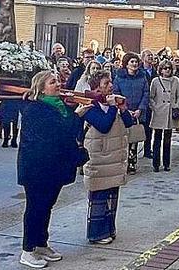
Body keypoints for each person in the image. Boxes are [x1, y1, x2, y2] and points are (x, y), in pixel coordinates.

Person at [17, 70, 85, 268]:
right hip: (37, 168)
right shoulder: (34, 109)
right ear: (41, 88)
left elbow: (67, 130)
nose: (58, 84)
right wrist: (77, 115)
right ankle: (27, 250)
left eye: (58, 81)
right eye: (52, 82)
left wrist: (75, 115)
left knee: (47, 205)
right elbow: (57, 132)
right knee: (35, 207)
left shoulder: (60, 105)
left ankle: (41, 243)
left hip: (55, 167)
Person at [77, 71, 135, 245]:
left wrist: (123, 109)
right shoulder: (89, 106)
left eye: (110, 82)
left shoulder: (113, 103)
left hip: (114, 157)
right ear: (96, 87)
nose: (110, 86)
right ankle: (96, 233)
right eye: (105, 84)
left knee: (111, 196)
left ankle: (109, 228)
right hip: (98, 158)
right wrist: (111, 107)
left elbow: (129, 123)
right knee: (99, 197)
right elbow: (103, 125)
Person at [112, 53, 151, 173]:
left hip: (138, 112)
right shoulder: (119, 78)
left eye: (136, 62)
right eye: (132, 62)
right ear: (126, 64)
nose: (134, 64)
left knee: (134, 138)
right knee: (123, 138)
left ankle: (132, 163)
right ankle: (122, 162)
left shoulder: (142, 77)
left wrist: (140, 109)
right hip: (124, 111)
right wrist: (124, 109)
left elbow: (146, 93)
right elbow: (116, 93)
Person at [149, 61, 179, 172]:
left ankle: (166, 163)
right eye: (165, 68)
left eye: (169, 68)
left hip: (170, 112)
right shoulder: (155, 81)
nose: (167, 70)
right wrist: (155, 107)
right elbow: (151, 96)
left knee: (168, 140)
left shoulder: (176, 80)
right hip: (159, 112)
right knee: (157, 139)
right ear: (160, 69)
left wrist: (176, 106)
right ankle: (156, 164)